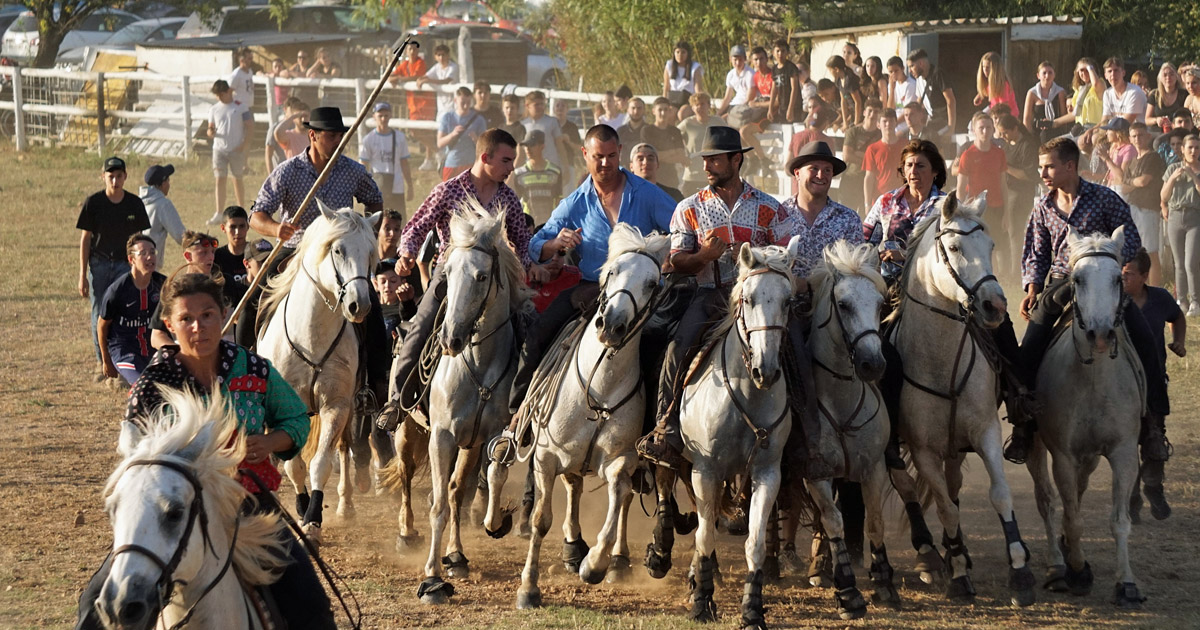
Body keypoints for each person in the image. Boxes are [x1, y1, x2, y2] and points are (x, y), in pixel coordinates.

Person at [74, 271, 337, 630]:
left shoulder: (255, 369)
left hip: (248, 506)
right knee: (94, 604)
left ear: (224, 315)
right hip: (168, 513)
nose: (198, 327)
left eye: (207, 315)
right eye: (186, 319)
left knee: (310, 601)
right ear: (169, 324)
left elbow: (297, 420)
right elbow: (133, 459)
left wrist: (270, 443)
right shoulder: (152, 384)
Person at [636, 126, 824, 474]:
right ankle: (666, 429)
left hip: (762, 298)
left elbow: (786, 259)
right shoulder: (689, 208)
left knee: (799, 348)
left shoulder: (770, 209)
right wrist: (704, 255)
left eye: (715, 159)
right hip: (710, 294)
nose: (708, 166)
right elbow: (677, 260)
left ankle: (811, 439)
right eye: (705, 159)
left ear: (736, 160)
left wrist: (751, 255)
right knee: (678, 347)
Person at [1012, 137, 1168, 464]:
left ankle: (1154, 425)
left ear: (1070, 166)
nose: (1043, 172)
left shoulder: (1105, 198)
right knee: (1028, 351)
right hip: (1061, 282)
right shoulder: (1042, 206)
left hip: (1103, 283)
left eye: (1049, 165)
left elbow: (1132, 243)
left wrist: (1106, 264)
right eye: (1041, 166)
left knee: (1147, 342)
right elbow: (1037, 254)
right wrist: (1031, 288)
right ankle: (1023, 427)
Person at [505, 124, 676, 417]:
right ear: (585, 155)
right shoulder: (574, 202)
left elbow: (681, 226)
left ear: (620, 152)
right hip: (591, 289)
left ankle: (661, 428)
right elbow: (536, 245)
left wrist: (669, 254)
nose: (606, 163)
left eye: (611, 155)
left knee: (669, 348)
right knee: (537, 336)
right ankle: (515, 418)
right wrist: (557, 243)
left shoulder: (648, 193)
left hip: (642, 292)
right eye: (598, 156)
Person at [378, 128, 533, 427]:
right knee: (421, 327)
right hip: (450, 275)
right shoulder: (449, 190)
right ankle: (397, 401)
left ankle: (521, 409)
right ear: (485, 157)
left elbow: (521, 242)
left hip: (495, 280)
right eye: (506, 160)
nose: (511, 168)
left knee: (528, 328)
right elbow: (417, 226)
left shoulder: (509, 199)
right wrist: (407, 253)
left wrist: (525, 267)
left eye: (512, 161)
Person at [243, 103, 384, 396]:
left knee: (370, 304)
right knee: (255, 296)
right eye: (331, 136)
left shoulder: (353, 171)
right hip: (296, 251)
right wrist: (276, 229)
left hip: (339, 254)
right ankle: (246, 368)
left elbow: (375, 201)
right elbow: (257, 215)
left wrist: (362, 230)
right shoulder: (288, 171)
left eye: (340, 136)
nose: (337, 142)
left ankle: (375, 383)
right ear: (313, 136)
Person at [1122, 248, 1184, 521]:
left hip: (1154, 382)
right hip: (1121, 385)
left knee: (1154, 440)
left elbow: (1178, 316)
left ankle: (1153, 488)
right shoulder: (1115, 302)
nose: (1123, 279)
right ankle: (1131, 497)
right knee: (1124, 443)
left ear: (1145, 276)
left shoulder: (1159, 298)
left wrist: (1179, 341)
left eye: (1129, 274)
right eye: (1121, 274)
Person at [78, 156, 150, 381]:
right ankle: (103, 363)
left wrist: (142, 266)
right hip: (99, 264)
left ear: (125, 177)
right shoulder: (94, 203)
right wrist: (82, 275)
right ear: (103, 177)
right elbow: (85, 239)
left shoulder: (135, 204)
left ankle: (122, 360)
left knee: (124, 313)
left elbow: (141, 239)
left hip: (125, 265)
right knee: (100, 312)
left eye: (119, 176)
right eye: (111, 176)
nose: (115, 181)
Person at [98, 235, 165, 385]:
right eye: (143, 253)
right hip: (123, 351)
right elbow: (102, 325)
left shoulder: (162, 285)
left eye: (153, 252)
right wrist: (106, 360)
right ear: (131, 259)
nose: (150, 257)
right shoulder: (117, 290)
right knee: (143, 385)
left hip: (152, 349)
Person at [1109, 123, 1167, 287]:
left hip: (1148, 209)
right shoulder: (1134, 160)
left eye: (1141, 135)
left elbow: (1144, 181)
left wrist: (1131, 182)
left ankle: (1155, 289)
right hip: (1132, 208)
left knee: (1151, 252)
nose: (1137, 139)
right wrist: (1133, 182)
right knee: (1135, 252)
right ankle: (1140, 288)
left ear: (1148, 136)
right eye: (1134, 136)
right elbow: (1125, 185)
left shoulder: (1153, 157)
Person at [1162, 133, 1200, 316]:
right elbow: (1163, 196)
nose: (1193, 151)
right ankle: (1181, 300)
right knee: (1178, 263)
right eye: (1190, 147)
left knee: (1191, 262)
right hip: (1176, 215)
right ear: (1182, 150)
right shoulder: (1173, 168)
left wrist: (1194, 176)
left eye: (1196, 147)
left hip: (1194, 217)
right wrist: (1172, 179)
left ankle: (1195, 301)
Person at [207, 79, 252, 226]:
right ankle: (219, 213)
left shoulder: (241, 107)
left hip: (236, 149)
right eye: (217, 95)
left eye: (221, 94)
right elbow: (210, 129)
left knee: (237, 179)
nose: (219, 97)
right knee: (220, 179)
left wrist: (244, 144)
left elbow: (250, 126)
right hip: (219, 149)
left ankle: (241, 211)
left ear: (228, 91)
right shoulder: (213, 109)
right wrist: (210, 132)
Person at [360, 101, 414, 217]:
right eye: (380, 116)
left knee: (398, 219)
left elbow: (404, 163)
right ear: (374, 117)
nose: (383, 119)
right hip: (378, 185)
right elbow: (364, 164)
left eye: (386, 115)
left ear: (390, 116)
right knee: (376, 219)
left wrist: (409, 185)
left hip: (396, 186)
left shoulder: (399, 137)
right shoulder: (369, 139)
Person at [390, 44, 437, 171]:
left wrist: (399, 78)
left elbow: (416, 77)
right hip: (413, 103)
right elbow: (392, 76)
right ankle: (438, 152)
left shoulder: (421, 63)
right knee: (414, 130)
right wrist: (395, 78)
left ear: (418, 51)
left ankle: (429, 159)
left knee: (428, 131)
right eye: (410, 49)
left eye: (415, 49)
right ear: (406, 51)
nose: (412, 51)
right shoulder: (404, 65)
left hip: (425, 102)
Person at [953, 112, 1007, 215]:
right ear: (974, 131)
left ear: (993, 129)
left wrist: (1006, 213)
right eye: (981, 128)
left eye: (988, 127)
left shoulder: (999, 153)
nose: (985, 131)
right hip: (975, 208)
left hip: (997, 207)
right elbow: (961, 187)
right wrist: (959, 211)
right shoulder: (967, 155)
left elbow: (1003, 184)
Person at [677, 91, 726, 194]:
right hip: (693, 175)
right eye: (696, 105)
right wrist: (681, 155)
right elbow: (673, 136)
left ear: (708, 105)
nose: (700, 107)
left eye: (703, 104)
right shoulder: (687, 124)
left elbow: (729, 139)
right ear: (692, 108)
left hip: (714, 174)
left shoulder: (718, 122)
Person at [511, 130, 565, 223]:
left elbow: (559, 201)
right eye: (526, 146)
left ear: (542, 146)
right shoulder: (519, 174)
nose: (528, 149)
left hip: (549, 224)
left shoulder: (555, 172)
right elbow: (508, 196)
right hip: (528, 226)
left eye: (532, 145)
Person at [907, 49, 956, 150]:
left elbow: (950, 100)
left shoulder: (938, 74)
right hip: (930, 121)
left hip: (943, 121)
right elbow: (919, 102)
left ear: (921, 63)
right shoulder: (919, 79)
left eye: (912, 66)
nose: (910, 71)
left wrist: (951, 127)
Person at [139, 163, 184, 269]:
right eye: (168, 181)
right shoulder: (163, 204)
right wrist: (200, 243)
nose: (169, 184)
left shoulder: (138, 201)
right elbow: (180, 235)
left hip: (136, 262)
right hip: (151, 264)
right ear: (163, 183)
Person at [438, 86, 487, 181]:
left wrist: (476, 139)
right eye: (463, 103)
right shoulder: (447, 117)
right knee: (450, 195)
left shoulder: (479, 119)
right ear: (455, 100)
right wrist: (452, 134)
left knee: (470, 195)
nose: (465, 106)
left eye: (468, 103)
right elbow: (439, 143)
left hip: (471, 165)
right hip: (451, 164)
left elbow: (485, 147)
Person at [841, 101, 881, 212]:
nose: (872, 115)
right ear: (864, 112)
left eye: (876, 112)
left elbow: (880, 160)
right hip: (852, 178)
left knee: (866, 217)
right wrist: (869, 159)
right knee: (847, 215)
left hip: (871, 181)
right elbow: (847, 156)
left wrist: (859, 155)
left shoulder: (881, 135)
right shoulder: (853, 132)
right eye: (870, 111)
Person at [862, 108, 906, 209]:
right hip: (880, 201)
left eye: (891, 121)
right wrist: (867, 204)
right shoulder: (872, 149)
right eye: (884, 121)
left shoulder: (906, 146)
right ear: (878, 125)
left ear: (896, 123)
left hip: (903, 199)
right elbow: (869, 177)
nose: (888, 124)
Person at [642, 97, 687, 189]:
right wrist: (672, 152)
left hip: (671, 179)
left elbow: (681, 156)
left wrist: (659, 156)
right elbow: (649, 155)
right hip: (652, 178)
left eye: (665, 110)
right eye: (660, 110)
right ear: (653, 111)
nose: (663, 113)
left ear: (669, 111)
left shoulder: (675, 131)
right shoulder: (647, 130)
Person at [521, 90, 569, 173]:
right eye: (536, 105)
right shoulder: (522, 125)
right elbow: (520, 151)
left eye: (542, 104)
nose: (540, 107)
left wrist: (565, 167)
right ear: (527, 106)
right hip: (530, 168)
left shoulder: (552, 122)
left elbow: (560, 146)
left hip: (551, 167)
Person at [1023, 61, 1069, 141]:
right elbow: (1027, 118)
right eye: (1044, 73)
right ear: (1038, 76)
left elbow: (1063, 115)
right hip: (1037, 132)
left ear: (1054, 75)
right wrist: (1028, 137)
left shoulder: (1060, 92)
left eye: (1050, 73)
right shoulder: (1032, 93)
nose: (1047, 76)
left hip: (1055, 132)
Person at [214, 206, 250, 305]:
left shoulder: (257, 254)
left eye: (242, 226)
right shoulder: (216, 257)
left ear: (248, 226)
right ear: (223, 228)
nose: (237, 232)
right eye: (233, 227)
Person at [664, 41, 704, 119]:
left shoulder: (695, 67)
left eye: (683, 52)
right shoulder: (669, 65)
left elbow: (698, 90)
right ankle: (671, 131)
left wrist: (698, 104)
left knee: (682, 113)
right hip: (674, 99)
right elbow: (666, 87)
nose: (680, 55)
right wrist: (664, 102)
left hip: (689, 100)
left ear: (688, 54)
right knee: (669, 113)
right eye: (677, 52)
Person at [1096, 117, 1137, 193]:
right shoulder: (1114, 147)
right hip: (1110, 187)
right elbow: (1111, 174)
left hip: (1121, 191)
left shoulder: (1129, 149)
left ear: (1118, 133)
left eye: (1109, 130)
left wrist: (1107, 159)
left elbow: (1122, 177)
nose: (1106, 133)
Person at [417, 44, 458, 120]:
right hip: (441, 106)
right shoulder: (437, 67)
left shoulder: (453, 67)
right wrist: (420, 79)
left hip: (454, 105)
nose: (441, 57)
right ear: (435, 57)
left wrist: (428, 80)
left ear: (448, 55)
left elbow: (446, 80)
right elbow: (426, 76)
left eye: (443, 55)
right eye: (439, 55)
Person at [717, 45, 755, 127]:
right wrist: (718, 113)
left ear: (744, 59)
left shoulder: (750, 74)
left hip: (744, 108)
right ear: (730, 60)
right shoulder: (731, 74)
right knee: (716, 121)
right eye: (735, 60)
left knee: (724, 121)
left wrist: (731, 115)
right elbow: (727, 97)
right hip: (734, 105)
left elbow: (750, 98)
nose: (737, 63)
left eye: (740, 59)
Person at [1102, 56, 1147, 125]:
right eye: (1109, 71)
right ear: (1105, 76)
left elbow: (1125, 124)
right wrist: (1091, 131)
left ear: (1123, 73)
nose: (1113, 74)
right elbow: (1104, 122)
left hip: (1135, 132)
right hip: (1115, 131)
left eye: (1116, 70)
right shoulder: (1107, 94)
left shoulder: (1134, 92)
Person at [973, 52, 1019, 118]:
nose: (985, 70)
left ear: (995, 69)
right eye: (983, 67)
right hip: (993, 108)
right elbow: (987, 89)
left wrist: (994, 118)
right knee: (973, 123)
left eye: (988, 67)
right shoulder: (990, 81)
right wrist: (980, 96)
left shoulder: (1003, 84)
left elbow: (1004, 107)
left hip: (1008, 115)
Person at [769, 38, 802, 123]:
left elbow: (794, 89)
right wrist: (770, 108)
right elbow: (774, 89)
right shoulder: (774, 69)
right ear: (773, 53)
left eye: (783, 51)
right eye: (778, 51)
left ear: (787, 53)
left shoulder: (791, 67)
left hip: (794, 106)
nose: (780, 54)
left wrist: (790, 108)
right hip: (782, 106)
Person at [1148, 63, 1188, 131]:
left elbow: (1187, 117)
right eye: (1165, 75)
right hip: (1157, 132)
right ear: (1160, 78)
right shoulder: (1154, 95)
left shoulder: (1183, 94)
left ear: (1176, 77)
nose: (1168, 78)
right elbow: (1147, 119)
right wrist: (1157, 120)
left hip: (1177, 131)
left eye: (1171, 74)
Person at [826, 55, 862, 127]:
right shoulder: (839, 81)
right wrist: (845, 122)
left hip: (859, 113)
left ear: (836, 69)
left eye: (830, 70)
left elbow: (858, 102)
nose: (830, 73)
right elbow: (843, 100)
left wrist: (856, 122)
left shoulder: (850, 80)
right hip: (852, 113)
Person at [885, 55, 917, 123]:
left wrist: (895, 123)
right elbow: (890, 108)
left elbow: (909, 111)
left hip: (906, 122)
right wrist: (892, 89)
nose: (894, 74)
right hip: (894, 120)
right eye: (891, 72)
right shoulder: (891, 85)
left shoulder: (911, 85)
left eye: (896, 71)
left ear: (902, 69)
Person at [616, 97, 648, 163]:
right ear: (628, 110)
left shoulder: (650, 130)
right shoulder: (620, 131)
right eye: (633, 108)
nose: (636, 111)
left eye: (639, 108)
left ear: (644, 110)